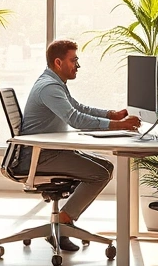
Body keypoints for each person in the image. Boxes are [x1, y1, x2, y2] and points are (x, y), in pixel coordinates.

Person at [17, 39, 141, 252]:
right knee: (100, 173)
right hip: (39, 157)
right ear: (58, 62)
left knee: (106, 167)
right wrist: (117, 125)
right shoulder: (48, 87)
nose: (78, 65)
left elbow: (77, 107)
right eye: (73, 60)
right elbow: (75, 118)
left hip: (49, 151)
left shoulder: (55, 83)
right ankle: (64, 220)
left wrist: (111, 115)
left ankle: (65, 219)